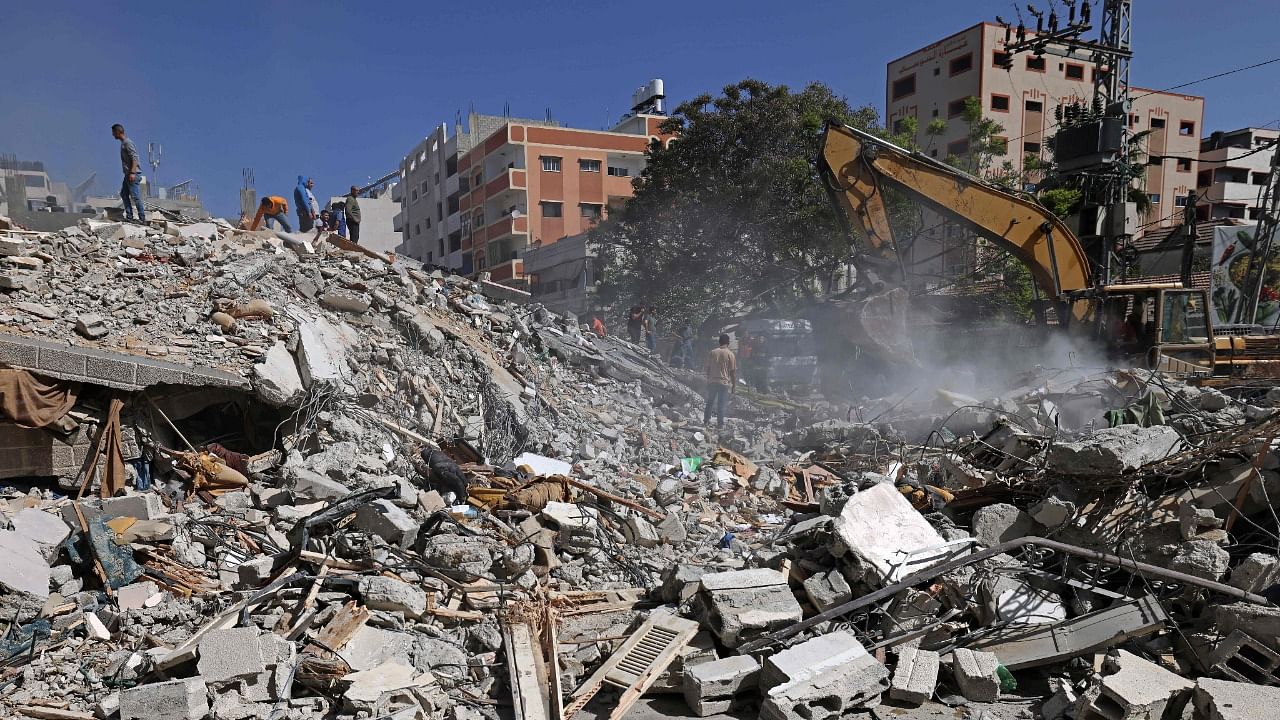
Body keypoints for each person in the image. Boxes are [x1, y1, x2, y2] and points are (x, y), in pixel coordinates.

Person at [111, 124, 146, 223]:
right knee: (124, 194)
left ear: (118, 132)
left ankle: (142, 218)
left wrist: (132, 172)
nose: (113, 135)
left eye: (113, 132)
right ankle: (129, 216)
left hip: (132, 174)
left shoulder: (127, 143)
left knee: (135, 196)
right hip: (128, 175)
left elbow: (134, 157)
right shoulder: (124, 143)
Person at [704, 333, 737, 429]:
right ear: (728, 343)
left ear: (719, 342)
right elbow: (733, 373)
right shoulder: (730, 354)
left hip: (712, 382)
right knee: (721, 404)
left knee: (710, 402)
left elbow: (708, 369)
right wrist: (734, 386)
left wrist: (708, 380)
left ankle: (706, 421)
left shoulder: (713, 352)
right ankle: (720, 424)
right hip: (723, 383)